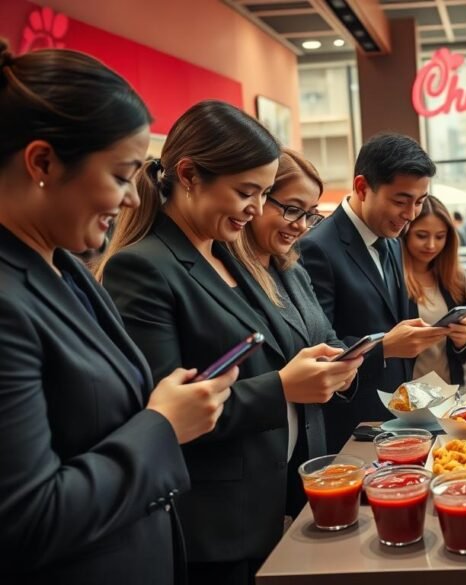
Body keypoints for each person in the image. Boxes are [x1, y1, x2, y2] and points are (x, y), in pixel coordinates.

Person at [0, 41, 236, 585]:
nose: (132, 199)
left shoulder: (67, 266)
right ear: (42, 162)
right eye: (121, 175)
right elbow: (29, 518)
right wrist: (163, 426)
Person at [97, 101, 360, 585]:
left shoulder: (228, 255)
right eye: (246, 192)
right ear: (190, 176)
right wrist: (281, 387)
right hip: (214, 522)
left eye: (262, 193)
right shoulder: (144, 266)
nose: (256, 209)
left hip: (269, 498)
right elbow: (161, 411)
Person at [300, 133, 451, 452]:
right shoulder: (318, 247)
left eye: (420, 201)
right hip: (350, 425)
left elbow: (397, 320)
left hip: (397, 418)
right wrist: (384, 348)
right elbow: (319, 346)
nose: (411, 214)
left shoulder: (393, 240)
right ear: (361, 187)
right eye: (401, 200)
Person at [226, 148, 355, 518]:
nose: (300, 225)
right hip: (247, 473)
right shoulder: (225, 274)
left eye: (310, 215)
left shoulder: (293, 269)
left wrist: (343, 366)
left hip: (304, 458)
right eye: (292, 209)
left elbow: (324, 335)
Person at [401, 195, 466, 385]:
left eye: (440, 237)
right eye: (422, 236)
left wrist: (462, 341)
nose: (431, 245)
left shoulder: (456, 280)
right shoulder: (392, 280)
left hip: (448, 391)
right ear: (405, 233)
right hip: (404, 395)